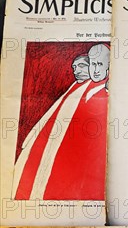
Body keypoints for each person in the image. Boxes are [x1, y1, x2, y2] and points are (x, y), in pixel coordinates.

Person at [13, 44, 110, 201]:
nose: (95, 70)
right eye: (92, 64)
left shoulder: (103, 87)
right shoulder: (78, 86)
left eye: (99, 64)